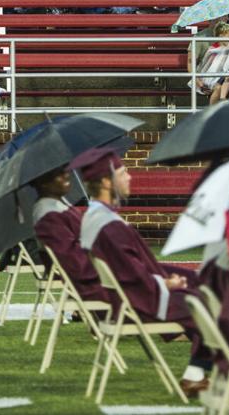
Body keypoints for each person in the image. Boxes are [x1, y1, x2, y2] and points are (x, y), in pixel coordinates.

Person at [71, 147, 211, 393]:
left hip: (131, 296)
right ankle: (206, 372)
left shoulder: (96, 216)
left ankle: (198, 372)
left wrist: (169, 276)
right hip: (139, 302)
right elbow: (132, 276)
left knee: (202, 284)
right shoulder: (109, 225)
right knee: (213, 305)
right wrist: (167, 283)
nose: (130, 177)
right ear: (106, 182)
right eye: (124, 173)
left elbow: (132, 267)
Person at [31, 165, 113, 305]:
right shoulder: (48, 215)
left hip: (93, 267)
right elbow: (73, 259)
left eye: (65, 171)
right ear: (43, 182)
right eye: (59, 174)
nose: (67, 175)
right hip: (92, 278)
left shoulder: (57, 203)